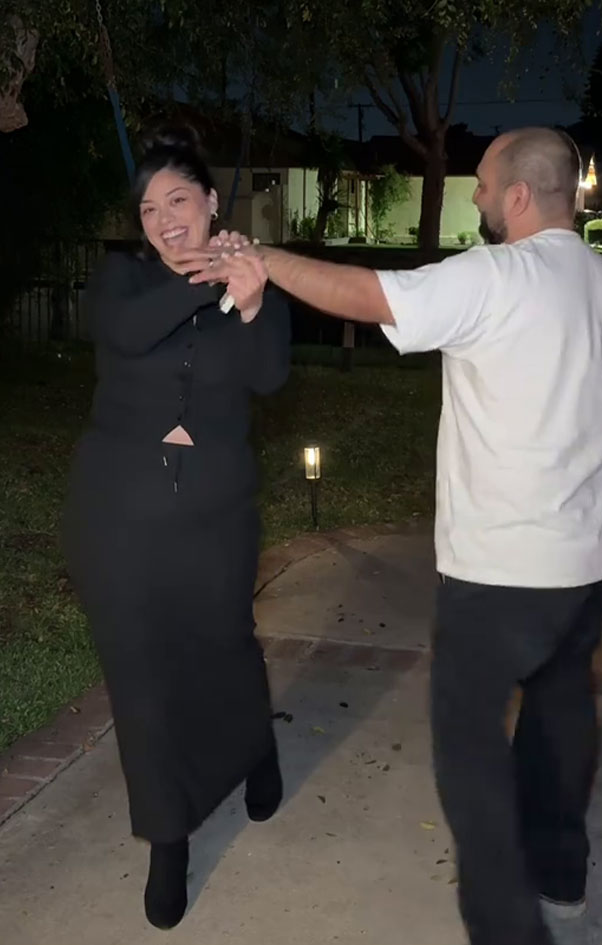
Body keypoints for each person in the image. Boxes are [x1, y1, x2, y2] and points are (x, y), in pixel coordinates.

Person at [183, 127, 602, 945]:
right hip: (592, 561)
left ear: (516, 195)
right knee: (559, 707)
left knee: (469, 747)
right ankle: (562, 870)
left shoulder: (498, 277)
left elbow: (369, 294)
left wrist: (262, 256)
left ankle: (509, 929)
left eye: (479, 185)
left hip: (502, 570)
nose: (471, 197)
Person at [61, 125, 290, 931]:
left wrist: (253, 295)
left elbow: (269, 374)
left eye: (179, 200)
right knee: (143, 675)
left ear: (211, 201)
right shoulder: (122, 279)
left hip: (215, 511)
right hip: (117, 508)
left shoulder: (252, 281)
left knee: (224, 645)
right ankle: (169, 838)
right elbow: (126, 334)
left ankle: (254, 747)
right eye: (150, 207)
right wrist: (207, 273)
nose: (162, 219)